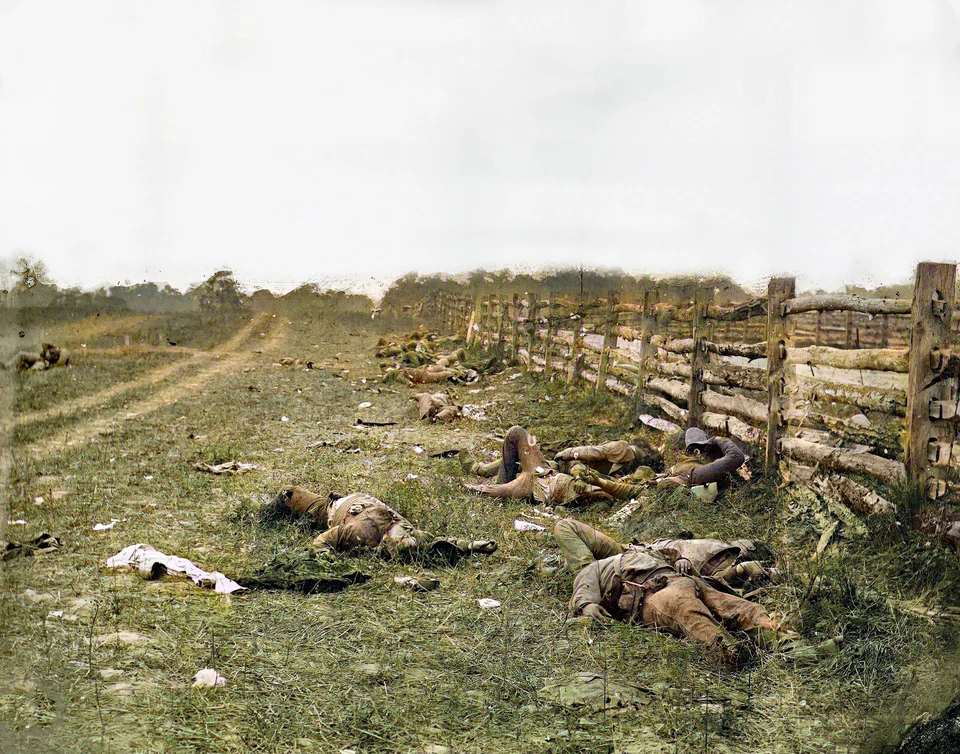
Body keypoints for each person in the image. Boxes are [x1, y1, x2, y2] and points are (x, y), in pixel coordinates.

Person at [566, 531, 838, 664]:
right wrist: (587, 605)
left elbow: (674, 553)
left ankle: (795, 648)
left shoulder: (644, 550)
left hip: (689, 581)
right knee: (688, 612)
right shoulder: (595, 567)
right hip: (656, 595)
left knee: (741, 606)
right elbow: (584, 588)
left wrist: (682, 560)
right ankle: (736, 656)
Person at [271, 487, 497, 561]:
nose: (409, 537)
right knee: (288, 495)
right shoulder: (364, 532)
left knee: (292, 498)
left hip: (344, 506)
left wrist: (474, 546)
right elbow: (322, 541)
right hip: (334, 507)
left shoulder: (365, 536)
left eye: (406, 539)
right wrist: (472, 545)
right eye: (408, 537)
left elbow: (324, 540)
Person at [552, 518, 772, 588]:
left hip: (644, 569)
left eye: (747, 546)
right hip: (630, 550)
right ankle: (589, 575)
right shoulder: (713, 543)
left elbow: (709, 587)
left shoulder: (725, 569)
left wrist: (745, 568)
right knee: (565, 525)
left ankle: (588, 581)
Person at [573, 427, 747, 503]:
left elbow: (634, 491)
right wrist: (717, 439)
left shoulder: (686, 471)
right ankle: (599, 481)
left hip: (649, 494)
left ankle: (599, 481)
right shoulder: (697, 472)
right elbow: (736, 456)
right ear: (697, 453)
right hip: (652, 493)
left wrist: (601, 482)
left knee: (634, 486)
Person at [459, 426, 611, 506]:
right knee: (516, 432)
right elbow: (585, 459)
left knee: (482, 490)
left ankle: (489, 475)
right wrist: (577, 471)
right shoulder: (620, 450)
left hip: (540, 486)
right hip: (548, 468)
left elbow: (603, 499)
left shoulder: (612, 487)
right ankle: (480, 470)